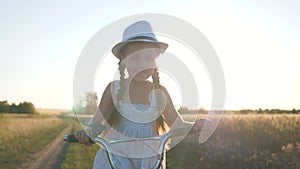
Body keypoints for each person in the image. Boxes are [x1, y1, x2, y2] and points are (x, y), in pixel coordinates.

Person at [76, 20, 206, 169]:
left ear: (155, 61)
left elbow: (177, 124)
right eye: (135, 58)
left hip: (149, 160)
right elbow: (95, 124)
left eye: (148, 58)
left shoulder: (160, 93)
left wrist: (196, 126)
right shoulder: (113, 89)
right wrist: (86, 134)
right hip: (116, 160)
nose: (142, 64)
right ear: (123, 60)